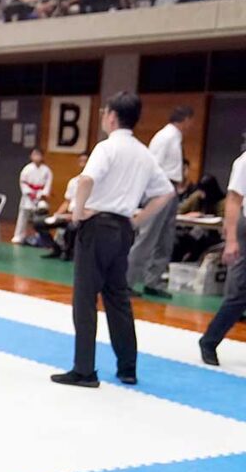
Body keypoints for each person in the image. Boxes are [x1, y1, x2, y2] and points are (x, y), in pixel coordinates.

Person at [51, 92, 175, 388]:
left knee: (85, 299)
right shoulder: (144, 153)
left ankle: (84, 370)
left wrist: (78, 214)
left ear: (111, 116)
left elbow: (86, 180)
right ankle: (127, 368)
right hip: (123, 228)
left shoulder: (107, 148)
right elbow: (166, 192)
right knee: (118, 298)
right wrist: (139, 218)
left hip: (98, 226)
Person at [127, 106, 194, 299]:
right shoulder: (164, 137)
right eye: (191, 122)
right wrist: (156, 192)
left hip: (171, 189)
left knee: (165, 238)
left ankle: (153, 281)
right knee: (147, 238)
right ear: (185, 119)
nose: (191, 126)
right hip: (160, 190)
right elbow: (151, 165)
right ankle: (127, 281)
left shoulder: (176, 138)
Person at [199, 151, 246, 366]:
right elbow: (234, 200)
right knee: (239, 293)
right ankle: (209, 341)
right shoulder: (244, 161)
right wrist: (232, 240)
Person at [36, 151, 88, 260]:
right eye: (81, 161)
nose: (83, 164)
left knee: (72, 227)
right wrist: (57, 214)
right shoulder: (73, 182)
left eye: (85, 161)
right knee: (39, 223)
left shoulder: (94, 183)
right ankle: (55, 248)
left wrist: (75, 215)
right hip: (67, 215)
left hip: (82, 217)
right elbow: (67, 201)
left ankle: (68, 252)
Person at [13, 147, 53, 245]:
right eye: (34, 155)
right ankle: (19, 236)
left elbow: (48, 184)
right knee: (23, 216)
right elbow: (23, 182)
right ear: (31, 156)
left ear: (42, 157)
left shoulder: (47, 170)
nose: (36, 157)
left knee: (40, 217)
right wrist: (30, 192)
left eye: (38, 155)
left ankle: (40, 237)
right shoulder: (27, 169)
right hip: (28, 196)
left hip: (40, 196)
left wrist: (42, 193)